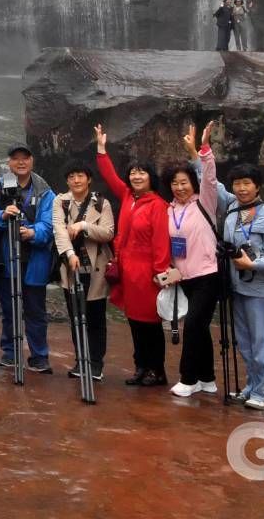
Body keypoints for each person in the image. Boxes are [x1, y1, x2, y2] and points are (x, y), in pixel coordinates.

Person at [93, 123, 171, 386]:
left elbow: (161, 241)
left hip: (148, 272)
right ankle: (140, 367)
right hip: (127, 268)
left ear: (151, 177)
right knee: (135, 321)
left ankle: (156, 370)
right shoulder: (128, 196)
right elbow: (110, 176)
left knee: (150, 323)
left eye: (142, 173)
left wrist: (160, 273)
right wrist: (102, 150)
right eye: (134, 173)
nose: (137, 177)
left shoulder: (158, 205)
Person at [213, 155, 264, 410]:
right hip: (236, 286)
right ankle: (252, 386)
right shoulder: (234, 207)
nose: (242, 188)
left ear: (258, 186)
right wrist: (198, 155)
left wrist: (252, 264)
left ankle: (263, 394)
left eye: (247, 183)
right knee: (244, 341)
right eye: (237, 183)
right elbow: (211, 184)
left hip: (259, 289)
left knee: (260, 342)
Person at [158, 123, 221, 398]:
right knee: (200, 327)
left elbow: (209, 177)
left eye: (184, 182)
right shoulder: (169, 209)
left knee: (193, 325)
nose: (180, 187)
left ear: (192, 184)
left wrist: (202, 150)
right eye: (175, 183)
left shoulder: (204, 202)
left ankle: (188, 378)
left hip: (207, 274)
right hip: (183, 276)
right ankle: (207, 378)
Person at [0, 144, 55, 375]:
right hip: (6, 258)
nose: (21, 162)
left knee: (35, 310)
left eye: (25, 158)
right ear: (9, 163)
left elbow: (50, 223)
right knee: (9, 308)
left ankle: (39, 356)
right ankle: (10, 352)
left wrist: (34, 233)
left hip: (35, 258)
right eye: (15, 159)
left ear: (32, 160)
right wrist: (3, 215)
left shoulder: (45, 191)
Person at [52, 158, 113, 381]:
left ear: (88, 179)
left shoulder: (101, 203)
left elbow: (108, 233)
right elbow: (59, 230)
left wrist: (84, 226)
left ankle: (95, 363)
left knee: (96, 317)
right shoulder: (61, 202)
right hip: (71, 267)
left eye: (80, 176)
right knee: (76, 315)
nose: (76, 180)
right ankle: (81, 360)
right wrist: (69, 254)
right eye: (71, 177)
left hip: (96, 269)